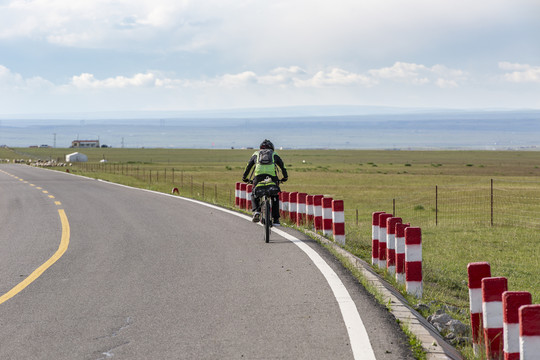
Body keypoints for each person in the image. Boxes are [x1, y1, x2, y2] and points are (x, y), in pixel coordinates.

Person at [242, 139, 288, 225]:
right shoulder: (274, 154)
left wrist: (244, 177)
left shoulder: (256, 154)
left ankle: (256, 211)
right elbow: (283, 166)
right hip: (272, 176)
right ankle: (276, 219)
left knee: (254, 193)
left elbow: (248, 166)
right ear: (272, 148)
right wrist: (285, 177)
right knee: (275, 195)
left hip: (258, 176)